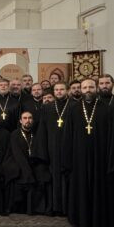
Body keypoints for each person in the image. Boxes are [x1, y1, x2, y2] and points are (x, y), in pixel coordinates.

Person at [63, 78, 114, 227]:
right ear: (81, 90)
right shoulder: (73, 109)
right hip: (79, 158)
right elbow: (68, 135)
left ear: (96, 88)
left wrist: (112, 160)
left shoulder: (107, 109)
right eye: (85, 87)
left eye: (91, 87)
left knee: (100, 188)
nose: (88, 90)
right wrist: (67, 160)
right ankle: (81, 219)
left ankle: (99, 219)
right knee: (81, 187)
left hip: (101, 157)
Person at [38, 81, 71, 217]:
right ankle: (55, 207)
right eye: (56, 90)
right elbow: (42, 130)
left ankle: (68, 207)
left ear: (67, 91)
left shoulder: (74, 106)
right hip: (52, 148)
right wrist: (43, 151)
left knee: (68, 177)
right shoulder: (47, 108)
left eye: (61, 89)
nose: (59, 92)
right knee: (54, 177)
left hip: (69, 148)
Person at [7, 111, 49, 214]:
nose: (27, 120)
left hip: (33, 162)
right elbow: (17, 155)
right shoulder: (14, 134)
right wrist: (27, 169)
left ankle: (37, 209)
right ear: (20, 121)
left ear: (33, 120)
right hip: (20, 163)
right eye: (25, 118)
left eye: (30, 118)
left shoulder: (37, 133)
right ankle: (23, 208)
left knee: (42, 173)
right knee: (23, 174)